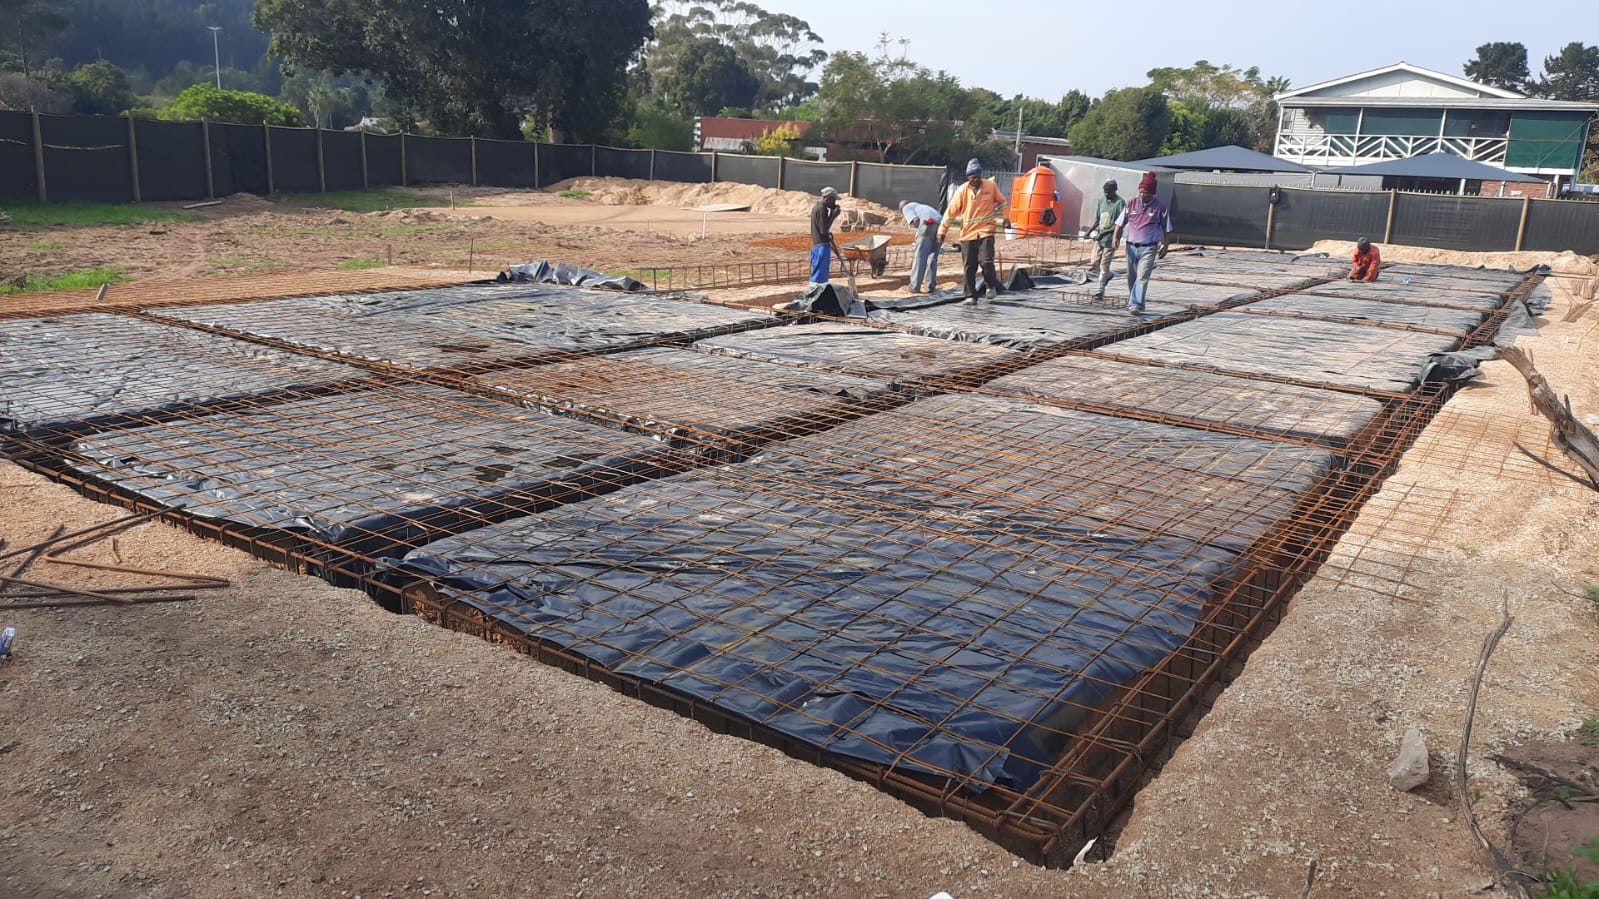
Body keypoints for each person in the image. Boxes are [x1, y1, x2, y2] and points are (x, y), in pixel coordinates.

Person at [938, 158, 1009, 304]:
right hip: (968, 234)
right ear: (968, 177)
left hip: (986, 231)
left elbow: (1002, 202)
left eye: (978, 176)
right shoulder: (962, 191)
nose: (976, 179)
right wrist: (942, 231)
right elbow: (951, 212)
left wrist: (1006, 217)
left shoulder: (991, 186)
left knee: (986, 261)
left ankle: (990, 285)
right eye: (973, 177)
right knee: (969, 266)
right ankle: (970, 295)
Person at [1112, 171, 1173, 314]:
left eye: (1145, 192)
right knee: (1132, 277)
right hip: (1131, 247)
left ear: (1152, 192)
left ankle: (1136, 305)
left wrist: (1165, 246)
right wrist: (1115, 237)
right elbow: (1120, 223)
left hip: (1149, 248)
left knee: (1142, 276)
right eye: (1140, 192)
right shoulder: (1131, 204)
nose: (1142, 195)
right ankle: (1136, 302)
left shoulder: (1160, 208)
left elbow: (1167, 229)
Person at [1087, 178, 1126, 300]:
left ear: (1115, 191)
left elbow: (1119, 223)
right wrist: (1089, 231)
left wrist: (1105, 233)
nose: (1106, 194)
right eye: (1105, 192)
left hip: (1110, 239)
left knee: (1104, 265)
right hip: (1100, 238)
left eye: (1109, 192)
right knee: (1094, 262)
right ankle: (1108, 275)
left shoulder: (1120, 203)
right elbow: (1098, 219)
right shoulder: (1101, 201)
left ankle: (1100, 290)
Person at [898, 199, 942, 293]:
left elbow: (916, 220)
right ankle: (930, 286)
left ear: (901, 209)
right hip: (941, 226)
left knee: (920, 257)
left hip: (928, 224)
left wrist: (920, 231)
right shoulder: (922, 207)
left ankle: (914, 286)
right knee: (932, 257)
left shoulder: (906, 207)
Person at [809, 186, 841, 287]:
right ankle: (816, 293)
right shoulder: (822, 209)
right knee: (820, 277)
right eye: (834, 200)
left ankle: (815, 291)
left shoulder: (817, 207)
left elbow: (822, 228)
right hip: (821, 247)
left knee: (817, 273)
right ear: (828, 198)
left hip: (817, 246)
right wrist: (833, 215)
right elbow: (823, 230)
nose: (834, 203)